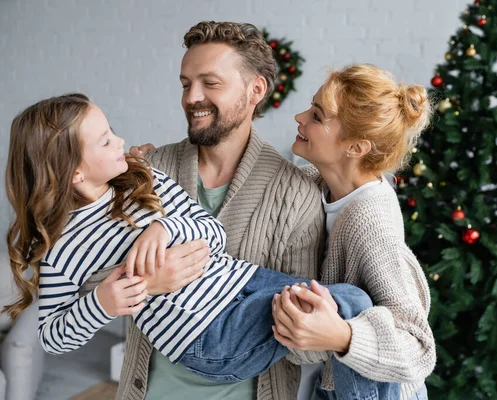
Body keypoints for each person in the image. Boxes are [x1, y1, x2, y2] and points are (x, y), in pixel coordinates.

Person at [5, 92, 405, 399]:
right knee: (352, 304)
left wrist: (163, 229)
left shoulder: (146, 181)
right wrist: (103, 304)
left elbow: (212, 234)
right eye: (106, 140)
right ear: (75, 172)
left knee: (354, 303)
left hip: (247, 283)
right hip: (207, 336)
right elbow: (51, 336)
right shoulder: (62, 248)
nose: (121, 141)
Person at [86, 21, 327, 400]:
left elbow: (307, 345)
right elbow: (84, 277)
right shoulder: (148, 170)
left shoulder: (296, 196)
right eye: (186, 84)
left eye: (210, 83)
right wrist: (147, 284)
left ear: (255, 90)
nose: (191, 97)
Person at [268, 64, 437, 400]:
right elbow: (265, 170)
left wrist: (344, 337)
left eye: (317, 116)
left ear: (356, 148)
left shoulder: (370, 221)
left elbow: (419, 349)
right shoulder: (321, 185)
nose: (299, 117)